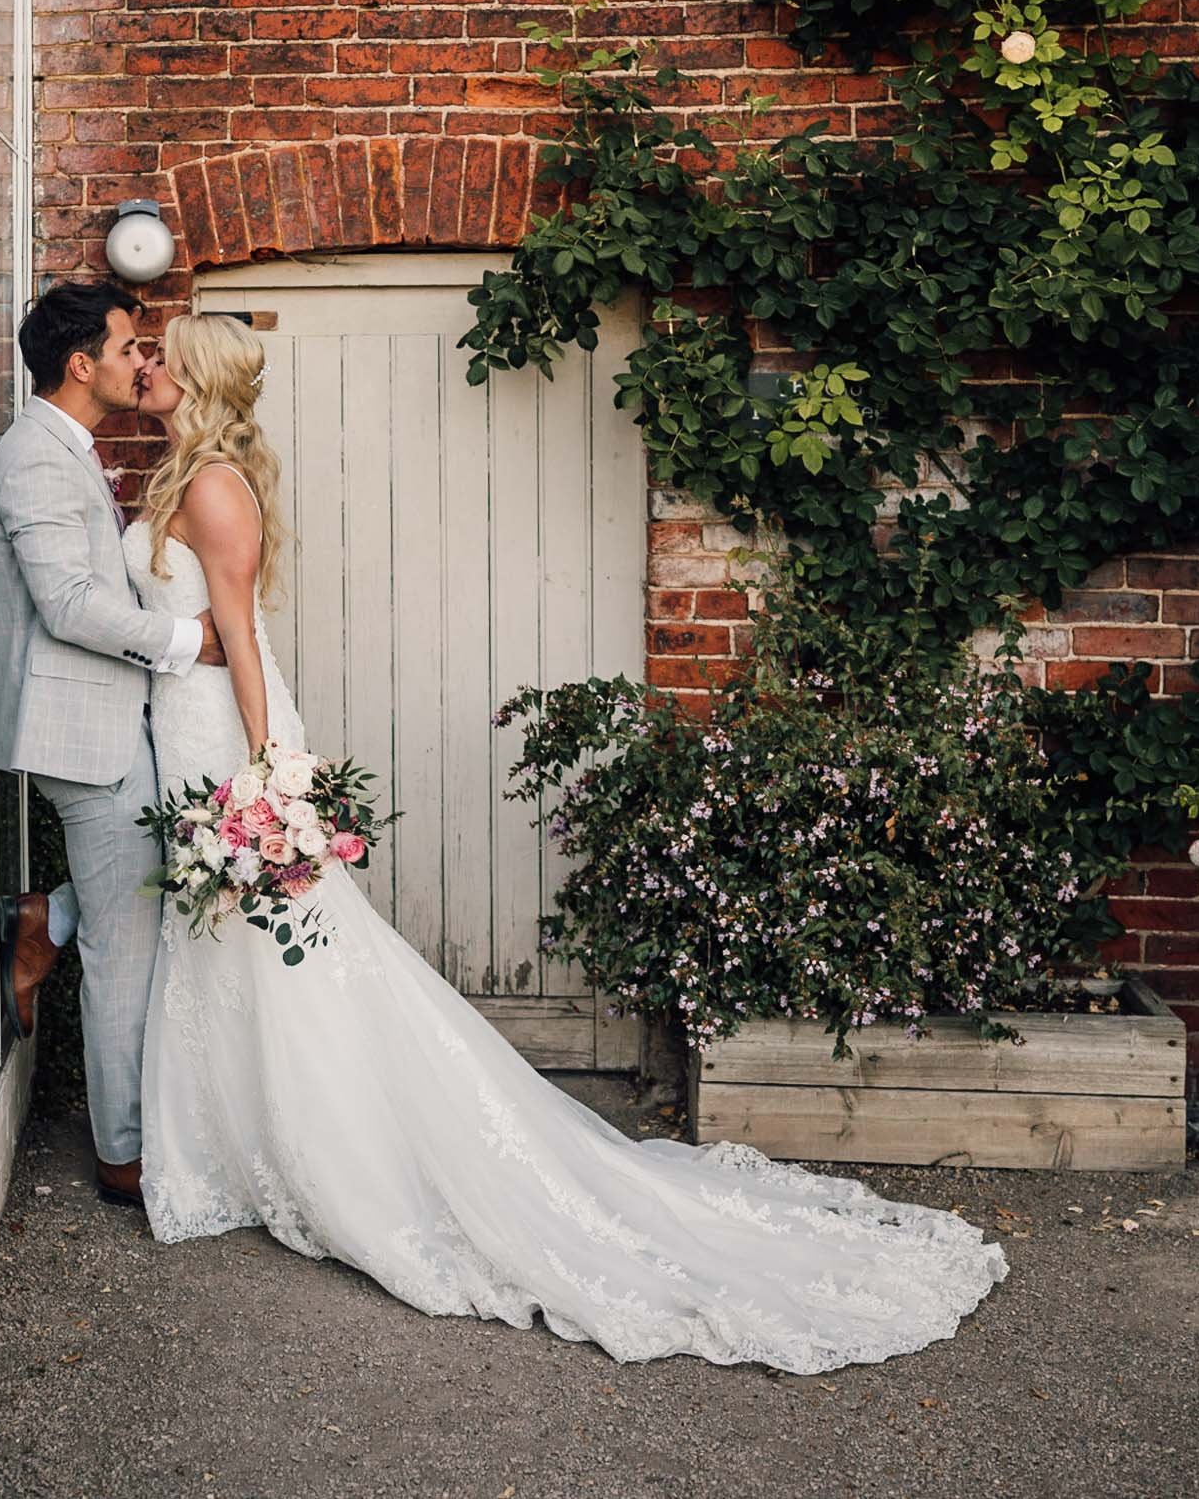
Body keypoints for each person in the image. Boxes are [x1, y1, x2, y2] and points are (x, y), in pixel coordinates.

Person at [128, 312, 1010, 1372]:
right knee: (237, 954)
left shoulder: (215, 487)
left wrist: (271, 781)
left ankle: (337, 1156)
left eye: (156, 354)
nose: (142, 363)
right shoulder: (185, 473)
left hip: (229, 739)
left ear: (191, 377)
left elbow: (238, 638)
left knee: (290, 956)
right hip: (186, 735)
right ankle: (238, 1146)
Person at [0, 282, 226, 1208]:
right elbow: (70, 605)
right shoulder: (37, 462)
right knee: (129, 949)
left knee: (147, 887)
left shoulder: (63, 450)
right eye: (129, 346)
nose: (141, 360)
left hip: (108, 723)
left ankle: (43, 920)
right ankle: (123, 1151)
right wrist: (185, 643)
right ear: (81, 364)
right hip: (85, 736)